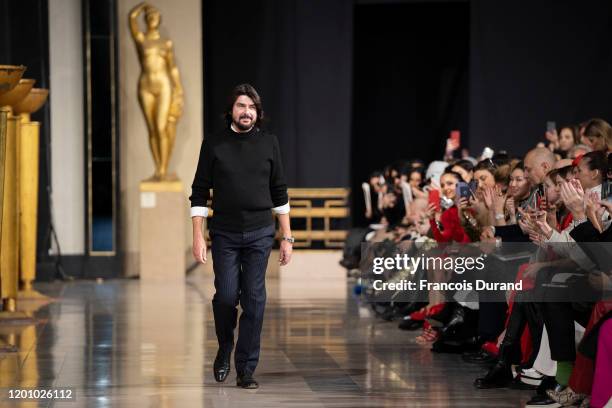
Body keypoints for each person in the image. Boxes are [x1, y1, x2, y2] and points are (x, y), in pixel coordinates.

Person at [189, 84, 293, 389]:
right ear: (231, 111)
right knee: (225, 296)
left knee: (254, 299)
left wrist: (287, 237)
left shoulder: (270, 143)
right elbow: (198, 192)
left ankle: (246, 368)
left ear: (257, 113)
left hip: (261, 231)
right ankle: (225, 345)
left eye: (251, 107)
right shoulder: (214, 144)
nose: (246, 111)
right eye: (240, 106)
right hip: (224, 232)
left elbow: (279, 192)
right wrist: (198, 235)